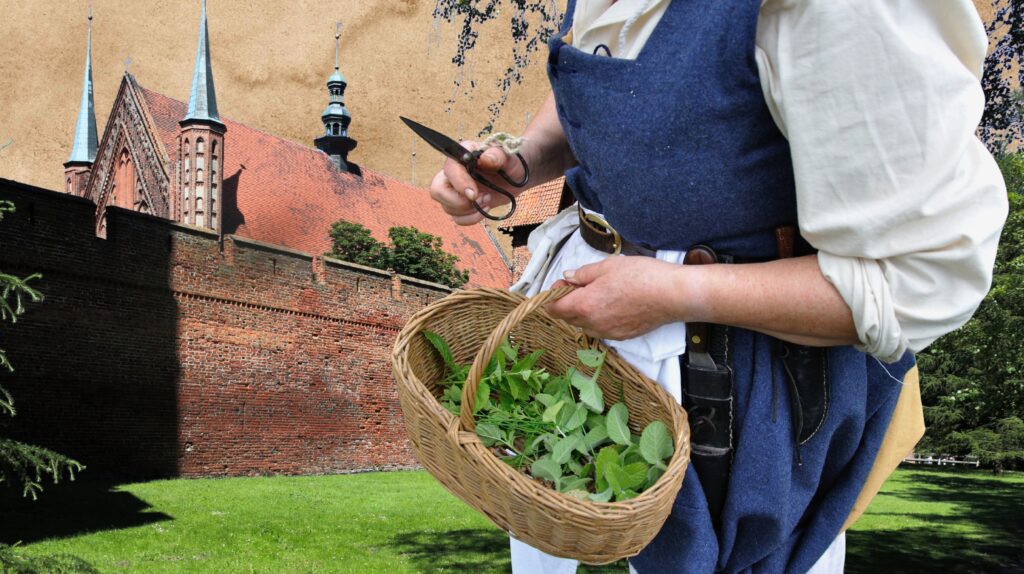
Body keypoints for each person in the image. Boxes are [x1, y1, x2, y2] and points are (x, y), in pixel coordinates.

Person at [428, 0, 1008, 572]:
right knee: (543, 523)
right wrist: (522, 159)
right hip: (573, 314)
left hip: (733, 371)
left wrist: (674, 294)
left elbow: (926, 278)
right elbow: (609, 73)